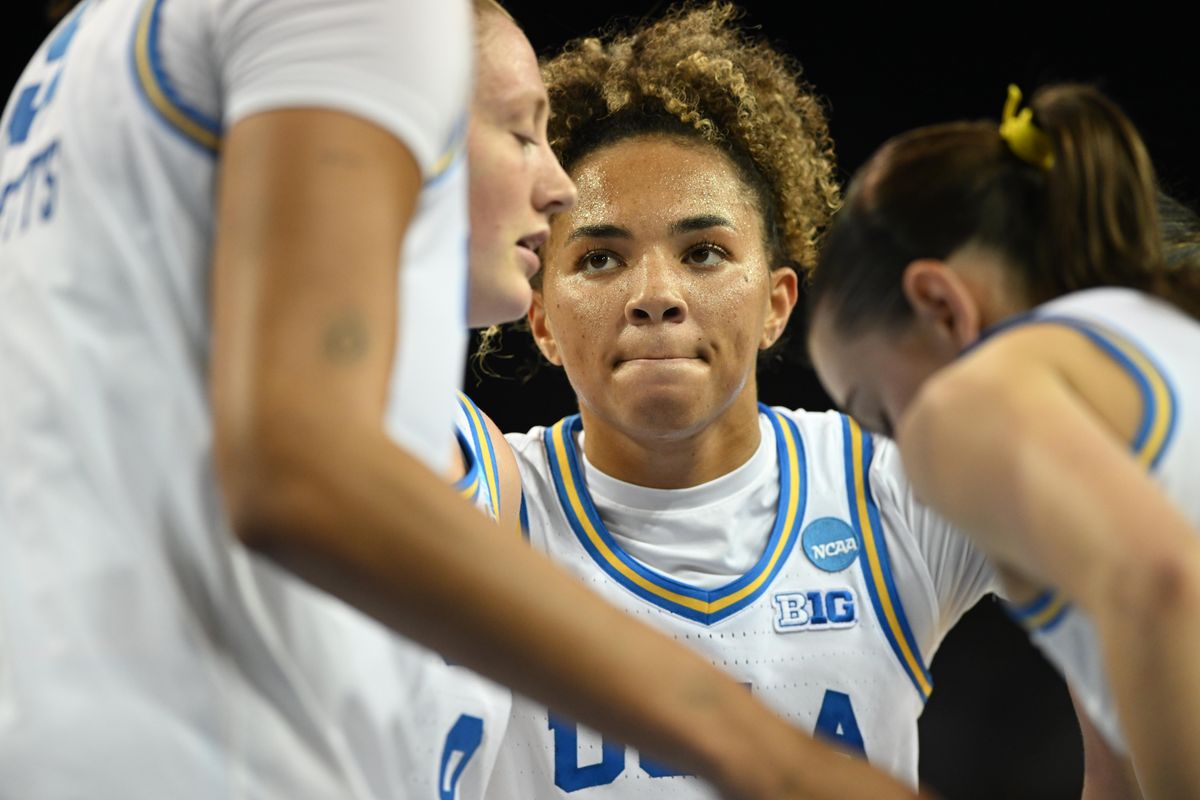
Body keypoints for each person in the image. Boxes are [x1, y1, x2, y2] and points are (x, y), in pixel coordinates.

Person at [0, 1, 923, 798]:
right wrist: (772, 758)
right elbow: (297, 468)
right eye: (521, 130)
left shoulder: (73, 61)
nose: (554, 186)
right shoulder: (362, 15)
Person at [476, 5, 999, 796]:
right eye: (600, 259)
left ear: (777, 305)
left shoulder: (887, 489)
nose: (656, 294)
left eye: (704, 253)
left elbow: (1139, 554)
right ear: (541, 319)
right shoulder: (482, 498)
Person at [805, 82, 1200, 799]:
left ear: (940, 305)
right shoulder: (1165, 323)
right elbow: (1117, 777)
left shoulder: (967, 407)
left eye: (885, 416)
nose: (904, 451)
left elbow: (1165, 583)